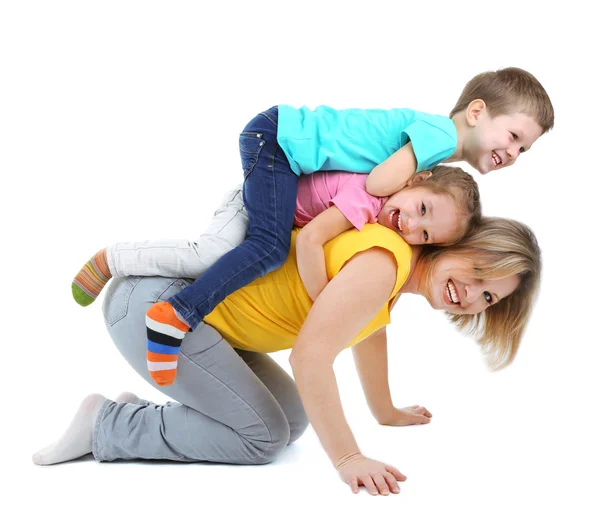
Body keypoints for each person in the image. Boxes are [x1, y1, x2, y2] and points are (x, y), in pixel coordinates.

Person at [71, 66, 552, 387]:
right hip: (278, 140)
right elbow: (383, 179)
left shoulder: (429, 157)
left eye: (523, 150)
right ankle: (160, 300)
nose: (513, 153)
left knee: (226, 248)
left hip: (286, 157)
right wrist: (330, 298)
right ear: (476, 112)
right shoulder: (438, 138)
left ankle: (168, 305)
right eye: (513, 137)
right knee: (263, 249)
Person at [35, 194, 541, 497]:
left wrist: (384, 410)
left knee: (292, 419)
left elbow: (370, 331)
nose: (470, 295)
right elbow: (309, 357)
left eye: (488, 296)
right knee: (261, 438)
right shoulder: (385, 263)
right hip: (157, 309)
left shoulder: (394, 273)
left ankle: (141, 417)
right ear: (458, 244)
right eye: (477, 272)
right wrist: (348, 459)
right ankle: (107, 425)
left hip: (193, 322)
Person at [72, 165, 481, 385]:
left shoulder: (379, 224)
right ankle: (113, 259)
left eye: (424, 234)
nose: (410, 225)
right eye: (422, 209)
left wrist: (386, 410)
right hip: (256, 201)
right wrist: (325, 303)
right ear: (417, 178)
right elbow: (307, 244)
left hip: (271, 212)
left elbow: (371, 331)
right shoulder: (364, 202)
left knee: (245, 254)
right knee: (209, 253)